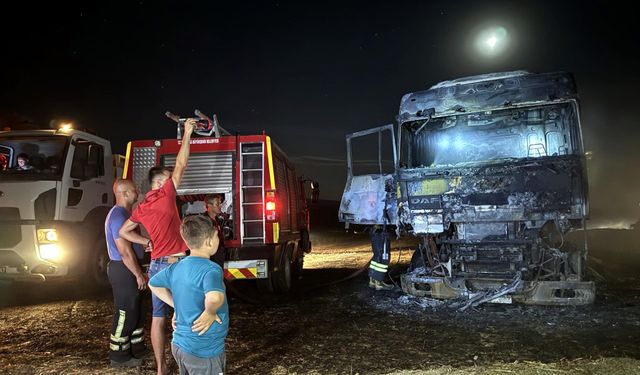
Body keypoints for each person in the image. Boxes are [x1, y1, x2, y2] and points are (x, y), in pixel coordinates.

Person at [119, 118, 196, 375]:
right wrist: (187, 133)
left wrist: (146, 241)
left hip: (156, 266)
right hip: (176, 264)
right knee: (186, 313)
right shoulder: (165, 195)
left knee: (158, 318)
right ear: (159, 183)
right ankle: (189, 363)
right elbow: (182, 164)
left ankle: (161, 369)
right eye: (167, 178)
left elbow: (124, 231)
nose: (172, 180)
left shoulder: (142, 207)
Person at [149, 215, 229, 375]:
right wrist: (210, 311)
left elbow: (153, 283)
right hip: (204, 350)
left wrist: (176, 305)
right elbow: (215, 297)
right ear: (209, 241)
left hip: (180, 345)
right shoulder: (211, 269)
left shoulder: (177, 267)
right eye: (216, 236)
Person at [105, 179, 149, 367]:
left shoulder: (123, 214)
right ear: (123, 193)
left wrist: (143, 244)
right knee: (125, 310)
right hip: (124, 269)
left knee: (137, 309)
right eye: (134, 189)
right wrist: (138, 274)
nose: (137, 191)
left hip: (129, 266)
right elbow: (124, 251)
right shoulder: (118, 216)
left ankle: (136, 348)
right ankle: (119, 355)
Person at [204, 194, 228, 269]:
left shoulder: (217, 220)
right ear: (209, 205)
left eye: (220, 203)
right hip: (211, 259)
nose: (220, 205)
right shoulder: (204, 222)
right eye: (217, 204)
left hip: (218, 256)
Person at [368, 225, 394, 290]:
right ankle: (379, 283)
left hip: (376, 230)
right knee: (384, 257)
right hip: (381, 231)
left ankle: (373, 281)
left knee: (377, 255)